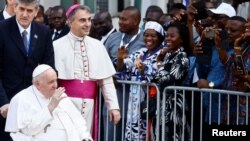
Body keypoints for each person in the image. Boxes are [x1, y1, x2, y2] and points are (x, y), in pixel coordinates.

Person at [53, 4, 120, 141]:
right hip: (64, 104)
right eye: (82, 20)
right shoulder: (56, 45)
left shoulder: (97, 45)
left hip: (89, 106)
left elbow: (106, 81)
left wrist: (114, 107)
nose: (88, 24)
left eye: (89, 20)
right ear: (70, 22)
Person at [0, 0, 55, 140]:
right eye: (22, 9)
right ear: (15, 8)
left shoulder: (43, 32)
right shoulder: (2, 29)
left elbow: (48, 67)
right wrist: (3, 102)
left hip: (33, 105)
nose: (25, 14)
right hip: (6, 104)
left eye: (29, 11)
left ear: (36, 12)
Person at [5, 64, 93, 141]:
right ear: (37, 84)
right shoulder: (22, 99)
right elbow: (28, 130)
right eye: (51, 82)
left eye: (56, 80)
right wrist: (50, 107)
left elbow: (78, 120)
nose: (55, 85)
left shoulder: (61, 96)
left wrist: (85, 137)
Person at [116, 21, 164, 141]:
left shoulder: (162, 54)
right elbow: (123, 71)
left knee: (147, 131)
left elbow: (158, 75)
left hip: (150, 99)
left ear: (160, 38)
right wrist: (120, 59)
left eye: (153, 36)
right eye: (146, 35)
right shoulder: (140, 52)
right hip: (134, 99)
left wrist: (143, 69)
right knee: (132, 129)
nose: (149, 38)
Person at [103, 6, 146, 141]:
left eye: (124, 19)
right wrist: (109, 76)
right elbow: (102, 62)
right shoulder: (113, 38)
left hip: (134, 96)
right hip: (114, 94)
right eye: (120, 18)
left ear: (136, 21)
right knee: (111, 131)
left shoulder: (146, 38)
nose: (120, 22)